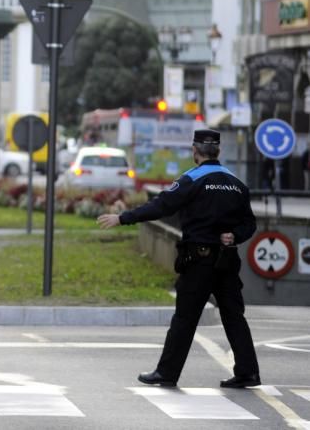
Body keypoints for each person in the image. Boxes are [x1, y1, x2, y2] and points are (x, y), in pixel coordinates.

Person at [97, 128, 260, 389]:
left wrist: (122, 217)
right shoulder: (236, 183)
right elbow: (250, 224)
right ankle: (248, 372)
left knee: (184, 318)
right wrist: (234, 236)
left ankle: (167, 373)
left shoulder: (192, 179)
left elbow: (160, 206)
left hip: (199, 261)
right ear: (218, 151)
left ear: (195, 152)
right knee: (234, 316)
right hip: (227, 261)